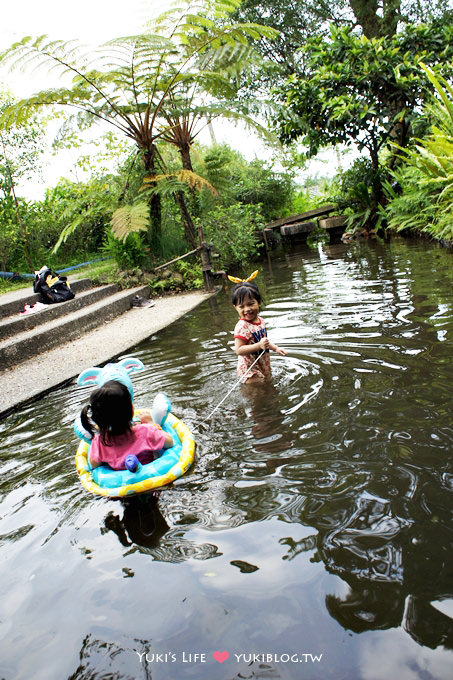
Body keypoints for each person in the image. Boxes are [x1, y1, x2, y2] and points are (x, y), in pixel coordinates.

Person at [79, 380, 173, 470]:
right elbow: (170, 442)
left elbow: (94, 464)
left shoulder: (100, 441)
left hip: (121, 485)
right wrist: (152, 424)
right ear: (132, 410)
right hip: (153, 479)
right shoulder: (146, 431)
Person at [230, 273, 287, 383]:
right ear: (235, 308)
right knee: (259, 395)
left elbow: (263, 341)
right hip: (249, 369)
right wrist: (258, 346)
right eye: (241, 306)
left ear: (259, 302)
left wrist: (275, 348)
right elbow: (239, 350)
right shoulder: (242, 326)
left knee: (269, 389)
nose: (247, 309)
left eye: (251, 304)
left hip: (262, 363)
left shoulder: (261, 321)